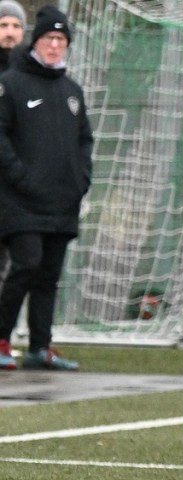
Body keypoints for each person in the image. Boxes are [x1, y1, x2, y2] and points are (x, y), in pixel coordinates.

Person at [0, 5, 91, 371]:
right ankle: (2, 339)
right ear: (35, 41)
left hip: (62, 201)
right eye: (49, 38)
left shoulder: (72, 90)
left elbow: (84, 141)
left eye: (61, 39)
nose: (55, 45)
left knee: (48, 276)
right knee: (26, 263)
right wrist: (21, 177)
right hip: (20, 201)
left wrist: (81, 180)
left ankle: (40, 347)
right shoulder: (11, 84)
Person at [0, 1, 25, 300]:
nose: (10, 32)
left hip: (19, 184)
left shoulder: (31, 72)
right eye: (4, 25)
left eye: (16, 26)